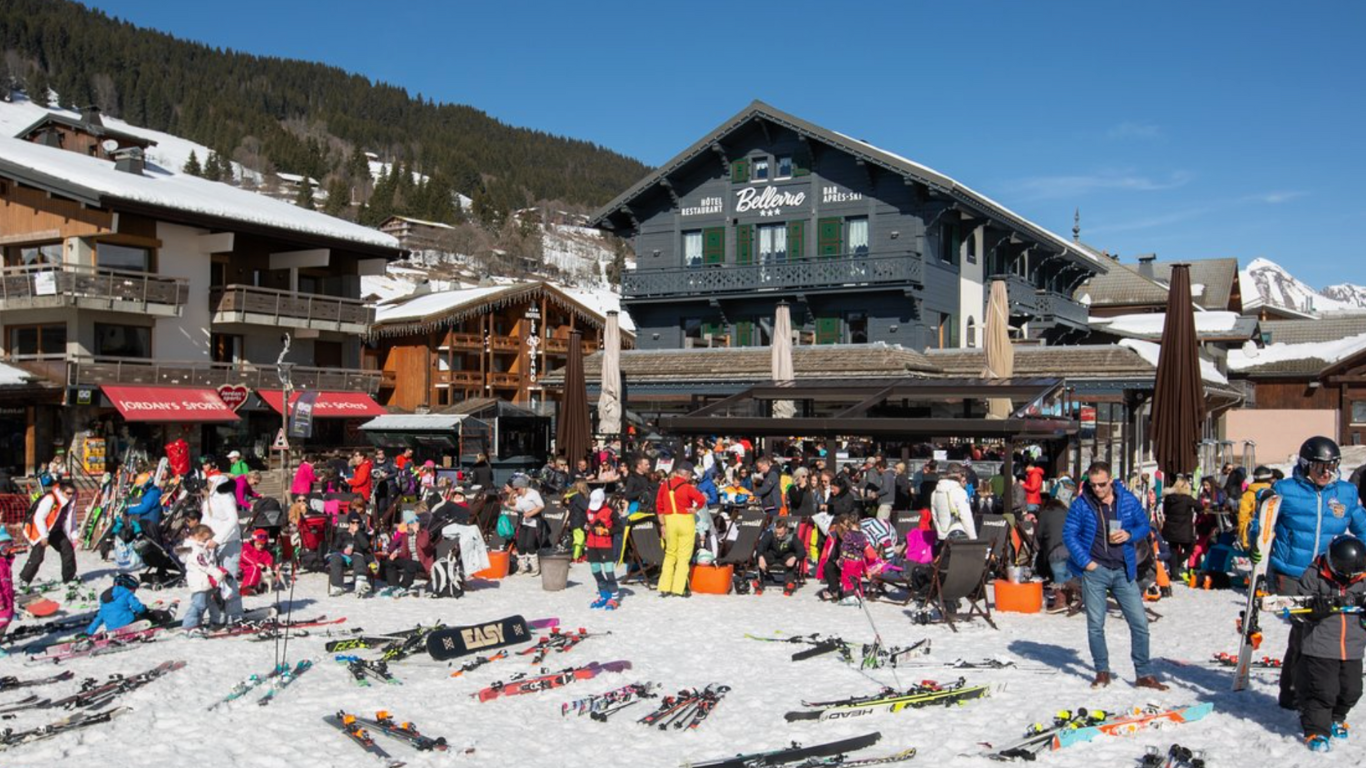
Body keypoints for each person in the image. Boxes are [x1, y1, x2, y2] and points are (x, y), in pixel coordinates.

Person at [1256, 436, 1366, 710]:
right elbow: (1262, 523)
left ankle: (1308, 691)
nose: (1326, 473)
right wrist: (1256, 541)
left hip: (1327, 574)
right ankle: (1298, 694)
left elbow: (1362, 527)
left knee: (1318, 629)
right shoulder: (1286, 489)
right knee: (1304, 627)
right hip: (1291, 572)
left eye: (1332, 466)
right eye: (1320, 467)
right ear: (1305, 465)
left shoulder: (1345, 493)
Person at [1064, 461, 1167, 691]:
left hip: (1123, 570)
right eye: (1093, 485)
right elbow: (1069, 534)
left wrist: (1130, 534)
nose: (1097, 489)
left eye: (1102, 484)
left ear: (1111, 480)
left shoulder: (1127, 500)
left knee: (1139, 623)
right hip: (1095, 571)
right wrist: (1086, 563)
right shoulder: (1082, 503)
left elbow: (1144, 525)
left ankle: (1143, 673)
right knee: (1095, 625)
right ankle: (1102, 672)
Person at [1294, 535, 1366, 752]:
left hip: (1353, 646)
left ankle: (1336, 716)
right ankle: (1317, 730)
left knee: (1352, 690)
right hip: (1321, 645)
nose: (1352, 579)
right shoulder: (1314, 574)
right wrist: (1312, 612)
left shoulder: (1362, 577)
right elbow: (1296, 611)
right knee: (1323, 691)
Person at [656, 462, 705, 597]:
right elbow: (701, 500)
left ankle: (665, 586)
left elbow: (659, 505)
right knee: (683, 556)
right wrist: (695, 509)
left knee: (670, 554)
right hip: (685, 520)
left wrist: (662, 524)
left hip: (669, 521)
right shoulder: (688, 487)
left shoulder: (665, 485)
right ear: (687, 474)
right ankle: (678, 588)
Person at [20, 477, 78, 585]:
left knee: (67, 549)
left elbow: (72, 519)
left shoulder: (71, 501)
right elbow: (39, 517)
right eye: (68, 493)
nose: (70, 496)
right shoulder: (50, 499)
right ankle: (24, 579)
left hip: (55, 530)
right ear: (61, 491)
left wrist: (74, 536)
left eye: (72, 493)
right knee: (37, 556)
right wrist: (44, 536)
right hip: (39, 530)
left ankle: (69, 577)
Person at [203, 476, 244, 623]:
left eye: (209, 483)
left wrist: (217, 539)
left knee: (229, 578)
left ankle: (235, 614)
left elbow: (233, 520)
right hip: (213, 543)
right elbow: (207, 519)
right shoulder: (209, 498)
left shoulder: (225, 496)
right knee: (214, 580)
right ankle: (218, 614)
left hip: (229, 541)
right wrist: (199, 536)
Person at [181, 524, 229, 630]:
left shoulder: (199, 548)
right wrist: (216, 573)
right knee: (198, 605)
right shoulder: (196, 550)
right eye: (205, 539)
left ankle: (196, 623)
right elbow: (204, 565)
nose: (207, 541)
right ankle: (189, 625)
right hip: (199, 582)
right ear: (197, 536)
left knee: (203, 604)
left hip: (202, 581)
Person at [583, 489, 622, 609]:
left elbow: (620, 527)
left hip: (605, 545)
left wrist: (607, 531)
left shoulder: (610, 511)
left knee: (609, 572)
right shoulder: (588, 510)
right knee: (595, 571)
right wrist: (587, 526)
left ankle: (614, 597)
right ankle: (604, 594)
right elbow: (584, 522)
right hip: (591, 544)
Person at [383, 510, 433, 595]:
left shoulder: (424, 533)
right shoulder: (406, 536)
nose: (414, 524)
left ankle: (404, 587)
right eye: (411, 522)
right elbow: (404, 552)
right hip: (411, 560)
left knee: (411, 565)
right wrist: (396, 554)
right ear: (408, 525)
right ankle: (393, 585)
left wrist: (418, 533)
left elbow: (424, 545)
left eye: (416, 521)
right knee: (390, 561)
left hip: (422, 563)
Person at [1161, 478, 1200, 582]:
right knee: (1190, 547)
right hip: (1183, 528)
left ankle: (1173, 571)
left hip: (1170, 528)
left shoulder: (1169, 498)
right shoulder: (1187, 499)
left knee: (1173, 549)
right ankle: (1176, 564)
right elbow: (1199, 506)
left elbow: (1165, 511)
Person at [328, 512, 375, 597]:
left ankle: (360, 583)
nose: (355, 524)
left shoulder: (363, 534)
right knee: (335, 557)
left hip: (357, 555)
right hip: (343, 556)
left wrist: (357, 532)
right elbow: (333, 548)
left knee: (359, 558)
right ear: (349, 523)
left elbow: (366, 546)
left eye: (357, 522)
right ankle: (337, 586)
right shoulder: (342, 534)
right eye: (353, 522)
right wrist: (343, 551)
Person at [931, 464, 977, 541]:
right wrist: (973, 538)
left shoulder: (935, 492)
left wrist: (940, 533)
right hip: (959, 534)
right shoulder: (959, 492)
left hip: (942, 535)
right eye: (963, 475)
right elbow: (966, 516)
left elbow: (934, 515)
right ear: (959, 475)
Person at [510, 476, 545, 576]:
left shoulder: (533, 494)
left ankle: (535, 567)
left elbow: (541, 505)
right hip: (524, 522)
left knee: (529, 544)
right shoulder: (519, 496)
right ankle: (523, 566)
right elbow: (519, 508)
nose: (516, 491)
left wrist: (530, 513)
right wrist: (509, 506)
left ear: (522, 487)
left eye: (517, 489)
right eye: (515, 489)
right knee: (520, 544)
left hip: (534, 522)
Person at [756, 517, 802, 595]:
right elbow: (761, 545)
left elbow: (802, 551)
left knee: (792, 557)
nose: (778, 535)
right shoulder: (771, 533)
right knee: (761, 555)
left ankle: (789, 583)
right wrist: (760, 556)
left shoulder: (792, 536)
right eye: (777, 533)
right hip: (773, 555)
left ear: (786, 530)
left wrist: (795, 558)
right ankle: (759, 581)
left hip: (786, 557)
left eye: (781, 533)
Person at [1238, 465, 1276, 550]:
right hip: (1272, 534)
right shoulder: (1275, 493)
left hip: (1253, 533)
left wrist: (1242, 536)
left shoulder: (1248, 495)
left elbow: (1243, 517)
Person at [239, 529, 279, 596]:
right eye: (258, 544)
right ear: (253, 541)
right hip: (244, 566)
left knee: (261, 571)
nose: (260, 546)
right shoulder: (248, 546)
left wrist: (268, 565)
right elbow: (244, 556)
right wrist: (256, 563)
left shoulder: (264, 552)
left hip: (257, 569)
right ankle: (247, 588)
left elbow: (268, 559)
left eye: (262, 545)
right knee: (254, 568)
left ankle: (258, 586)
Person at [565, 480, 591, 561]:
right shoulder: (578, 497)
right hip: (578, 521)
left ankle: (579, 555)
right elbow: (586, 507)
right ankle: (575, 556)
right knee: (580, 539)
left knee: (578, 539)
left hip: (576, 520)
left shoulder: (574, 497)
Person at [0, 527, 16, 640]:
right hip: (1, 602)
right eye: (3, 547)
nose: (7, 550)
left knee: (7, 619)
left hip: (7, 600)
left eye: (9, 546)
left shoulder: (6, 563)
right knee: (2, 620)